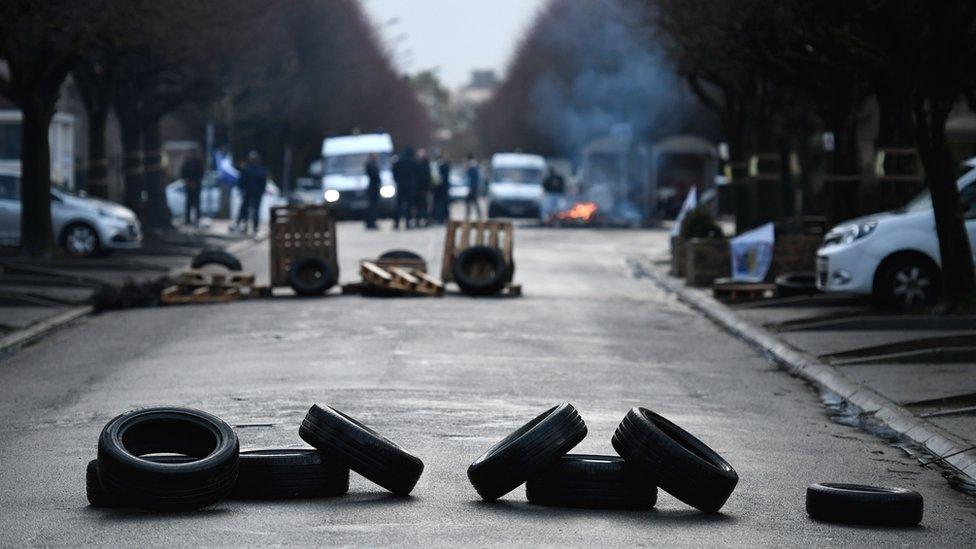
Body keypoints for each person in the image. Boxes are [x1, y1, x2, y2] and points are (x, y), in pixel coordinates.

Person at [236, 151, 267, 235]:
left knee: (254, 211)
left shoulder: (259, 170)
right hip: (248, 192)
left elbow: (263, 182)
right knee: (245, 209)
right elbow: (241, 181)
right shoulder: (247, 169)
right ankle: (243, 225)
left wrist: (261, 191)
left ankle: (254, 227)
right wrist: (241, 189)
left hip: (255, 193)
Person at [392, 148, 416, 229]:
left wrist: (398, 180)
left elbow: (394, 173)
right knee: (408, 206)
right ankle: (407, 223)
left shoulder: (399, 162)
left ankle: (396, 223)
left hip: (401, 186)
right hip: (409, 187)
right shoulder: (412, 162)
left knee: (399, 205)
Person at [180, 150, 204, 227]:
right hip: (188, 185)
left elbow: (201, 174)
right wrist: (188, 181)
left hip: (196, 185)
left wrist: (195, 182)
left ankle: (197, 219)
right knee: (188, 203)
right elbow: (183, 173)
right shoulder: (186, 163)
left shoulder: (198, 163)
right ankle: (188, 219)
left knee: (197, 203)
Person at [414, 148, 432, 227]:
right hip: (419, 188)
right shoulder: (421, 164)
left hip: (422, 188)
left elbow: (426, 177)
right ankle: (419, 220)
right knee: (420, 205)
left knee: (424, 205)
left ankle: (424, 219)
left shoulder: (423, 164)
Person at [364, 153, 381, 230]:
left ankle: (372, 222)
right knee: (372, 206)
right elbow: (374, 175)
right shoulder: (371, 165)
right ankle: (371, 222)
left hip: (374, 187)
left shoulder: (372, 164)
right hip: (373, 187)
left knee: (373, 206)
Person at [464, 153, 482, 220]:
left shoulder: (472, 166)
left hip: (472, 187)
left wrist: (471, 188)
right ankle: (478, 215)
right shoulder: (474, 165)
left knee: (470, 201)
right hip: (473, 187)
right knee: (473, 201)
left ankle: (469, 215)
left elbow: (472, 178)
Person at [434, 153, 451, 224]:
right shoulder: (445, 166)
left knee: (439, 204)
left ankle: (439, 218)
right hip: (444, 189)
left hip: (438, 189)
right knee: (444, 204)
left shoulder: (436, 166)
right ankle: (445, 218)